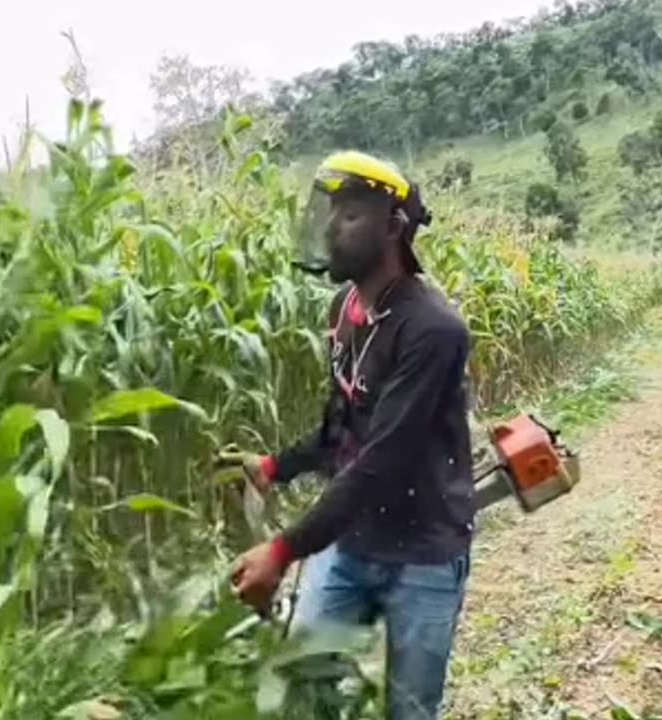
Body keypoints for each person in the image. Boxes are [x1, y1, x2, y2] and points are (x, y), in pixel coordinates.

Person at [228, 150, 476, 720]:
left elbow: (379, 461)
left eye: (350, 217)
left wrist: (284, 549)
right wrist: (275, 467)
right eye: (331, 213)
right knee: (303, 683)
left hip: (425, 554)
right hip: (353, 543)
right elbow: (342, 429)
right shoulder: (348, 309)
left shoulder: (433, 330)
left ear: (392, 228)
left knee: (410, 712)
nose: (332, 229)